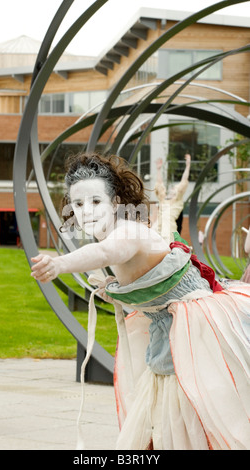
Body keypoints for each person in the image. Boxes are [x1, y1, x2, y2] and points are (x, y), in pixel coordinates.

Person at [31, 152, 250, 451]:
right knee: (167, 412)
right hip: (171, 333)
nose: (86, 211)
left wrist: (59, 264)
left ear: (117, 203)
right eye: (78, 204)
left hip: (199, 330)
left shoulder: (127, 231)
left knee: (205, 408)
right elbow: (141, 278)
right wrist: (119, 289)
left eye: (96, 202)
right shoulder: (113, 234)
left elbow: (107, 253)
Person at [153, 154, 191, 242]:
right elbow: (159, 184)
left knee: (166, 221)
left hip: (169, 227)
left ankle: (168, 244)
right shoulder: (163, 199)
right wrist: (158, 169)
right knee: (154, 228)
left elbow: (183, 181)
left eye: (174, 188)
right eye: (171, 188)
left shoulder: (177, 199)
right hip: (159, 226)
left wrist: (188, 166)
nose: (172, 189)